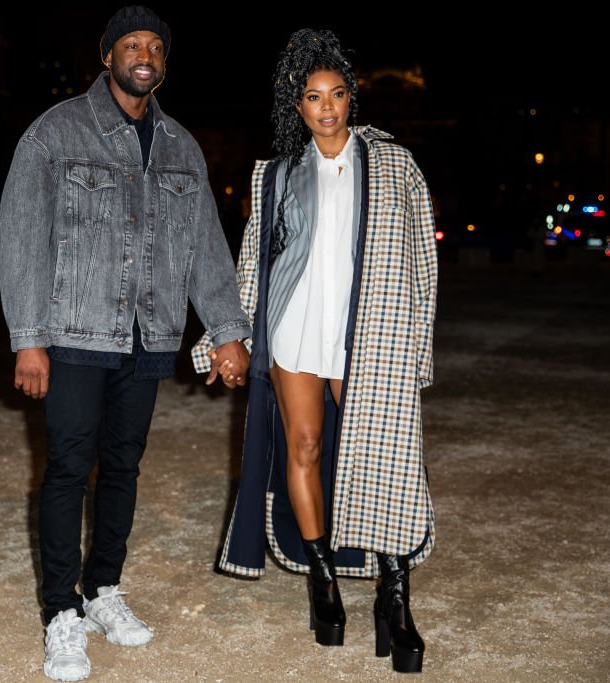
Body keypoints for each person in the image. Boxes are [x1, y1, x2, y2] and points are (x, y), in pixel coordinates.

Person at [0, 7, 251, 681]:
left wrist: (227, 329)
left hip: (149, 334)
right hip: (74, 331)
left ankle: (103, 586)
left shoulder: (181, 147)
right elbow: (19, 238)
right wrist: (28, 339)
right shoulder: (55, 132)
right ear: (107, 56)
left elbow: (204, 247)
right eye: (132, 44)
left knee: (125, 466)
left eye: (156, 46)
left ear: (163, 63)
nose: (146, 54)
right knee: (68, 469)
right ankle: (61, 612)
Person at [193, 28, 438, 674]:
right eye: (312, 97)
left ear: (351, 98)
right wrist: (227, 334)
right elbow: (256, 261)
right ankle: (322, 578)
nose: (326, 107)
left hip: (368, 331)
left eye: (336, 94)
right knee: (302, 446)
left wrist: (419, 345)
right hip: (297, 325)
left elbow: (423, 262)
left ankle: (395, 595)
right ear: (296, 107)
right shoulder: (276, 177)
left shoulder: (393, 164)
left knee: (377, 450)